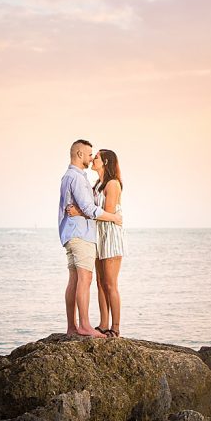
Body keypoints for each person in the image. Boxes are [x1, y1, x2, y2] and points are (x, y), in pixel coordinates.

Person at [59, 139, 123, 338]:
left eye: (95, 157)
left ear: (105, 162)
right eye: (90, 155)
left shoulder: (109, 184)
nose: (92, 158)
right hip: (90, 235)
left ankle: (114, 327)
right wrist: (82, 212)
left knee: (107, 283)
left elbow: (101, 210)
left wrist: (82, 212)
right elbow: (90, 209)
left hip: (107, 237)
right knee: (93, 282)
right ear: (79, 154)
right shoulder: (86, 181)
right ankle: (96, 325)